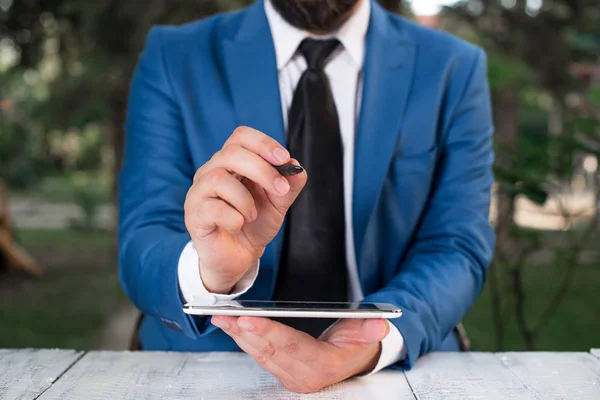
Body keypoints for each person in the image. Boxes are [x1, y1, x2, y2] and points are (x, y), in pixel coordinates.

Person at [119, 0, 494, 393]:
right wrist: (210, 270)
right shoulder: (175, 56)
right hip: (203, 371)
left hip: (389, 372)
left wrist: (370, 338)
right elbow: (143, 239)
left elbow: (457, 244)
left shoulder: (454, 67)